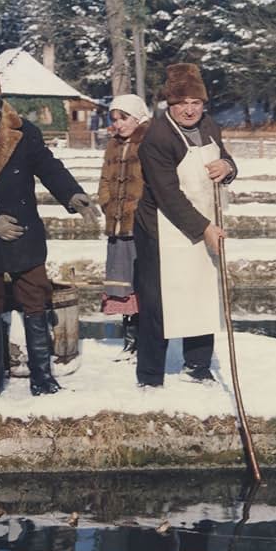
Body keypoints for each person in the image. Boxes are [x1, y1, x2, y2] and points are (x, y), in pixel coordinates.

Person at [0, 64, 99, 396]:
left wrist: (72, 193)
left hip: (23, 233)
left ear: (0, 101)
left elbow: (48, 166)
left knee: (35, 297)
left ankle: (42, 374)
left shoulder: (25, 133)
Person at [134, 63, 237, 387]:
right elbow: (168, 195)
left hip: (204, 217)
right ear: (170, 105)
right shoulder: (157, 137)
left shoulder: (209, 126)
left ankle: (198, 364)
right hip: (162, 227)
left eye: (196, 102)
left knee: (201, 291)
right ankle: (150, 375)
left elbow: (227, 161)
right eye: (182, 104)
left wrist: (228, 166)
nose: (190, 110)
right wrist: (204, 229)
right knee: (158, 300)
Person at [96, 94, 151, 357]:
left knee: (142, 283)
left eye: (123, 117)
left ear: (138, 117)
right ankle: (129, 340)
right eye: (114, 118)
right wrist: (107, 204)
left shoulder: (150, 143)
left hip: (140, 226)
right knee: (122, 285)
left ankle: (145, 340)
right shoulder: (113, 146)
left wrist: (139, 211)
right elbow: (104, 181)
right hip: (116, 227)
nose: (117, 124)